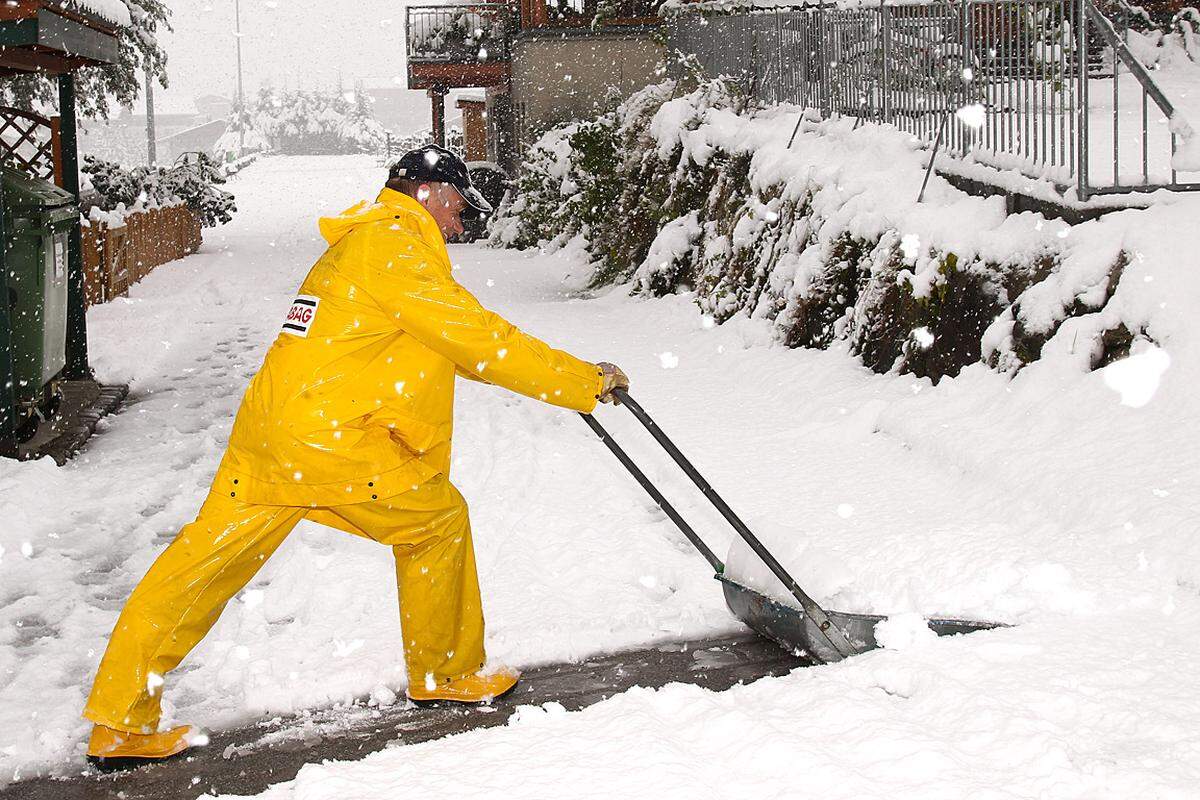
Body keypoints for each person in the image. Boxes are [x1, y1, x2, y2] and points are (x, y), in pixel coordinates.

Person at [82, 145, 631, 771]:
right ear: (425, 194)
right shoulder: (394, 246)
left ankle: (120, 722)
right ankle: (446, 673)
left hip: (273, 440)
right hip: (331, 447)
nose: (459, 222)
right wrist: (581, 380)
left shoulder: (366, 244)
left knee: (197, 571)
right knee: (437, 523)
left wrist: (563, 379)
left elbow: (440, 345)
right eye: (455, 206)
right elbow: (479, 337)